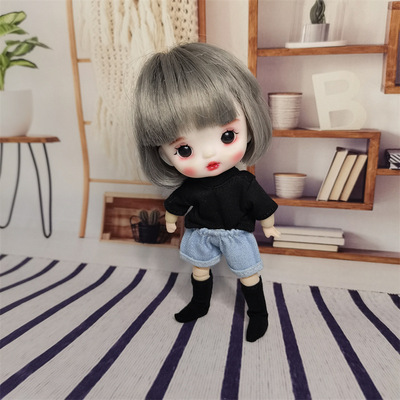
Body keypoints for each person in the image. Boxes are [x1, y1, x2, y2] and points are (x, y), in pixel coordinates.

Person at [132, 42, 280, 342]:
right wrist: (171, 221)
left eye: (227, 135)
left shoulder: (243, 183)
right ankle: (200, 303)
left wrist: (269, 226)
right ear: (164, 155)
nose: (210, 154)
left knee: (248, 273)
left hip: (236, 234)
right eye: (184, 149)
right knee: (199, 270)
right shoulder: (191, 187)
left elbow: (262, 206)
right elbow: (176, 204)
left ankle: (258, 314)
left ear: (250, 126)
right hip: (200, 233)